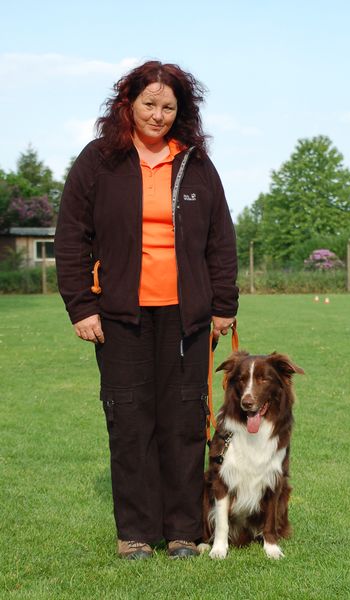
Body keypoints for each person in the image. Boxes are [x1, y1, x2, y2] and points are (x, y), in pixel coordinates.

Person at [55, 60, 238, 560]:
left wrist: (224, 304)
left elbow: (221, 238)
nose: (158, 115)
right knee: (131, 420)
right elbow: (72, 236)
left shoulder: (195, 162)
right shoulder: (99, 160)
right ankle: (135, 532)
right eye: (149, 104)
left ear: (181, 112)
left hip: (187, 316)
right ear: (128, 104)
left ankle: (183, 530)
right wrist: (80, 306)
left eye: (168, 107)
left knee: (183, 420)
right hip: (119, 314)